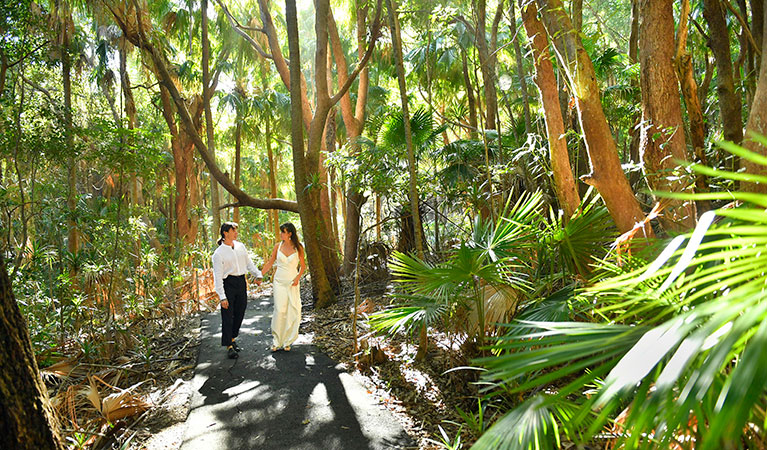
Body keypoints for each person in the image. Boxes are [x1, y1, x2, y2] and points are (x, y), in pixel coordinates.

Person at [212, 222, 262, 359]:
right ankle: (229, 346)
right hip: (228, 283)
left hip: (241, 282)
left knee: (240, 312)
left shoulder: (240, 247)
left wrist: (258, 274)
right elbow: (217, 276)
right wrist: (222, 296)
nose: (236, 233)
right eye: (233, 230)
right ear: (225, 233)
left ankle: (233, 338)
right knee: (228, 315)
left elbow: (248, 263)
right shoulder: (218, 254)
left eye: (236, 230)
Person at [260, 222, 306, 352]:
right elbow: (270, 262)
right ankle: (276, 341)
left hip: (292, 281)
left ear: (290, 233)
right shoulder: (277, 246)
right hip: (279, 281)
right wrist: (259, 275)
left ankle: (287, 341)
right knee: (280, 310)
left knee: (292, 310)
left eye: (283, 232)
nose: (280, 234)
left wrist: (297, 278)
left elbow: (303, 266)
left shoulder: (299, 247)